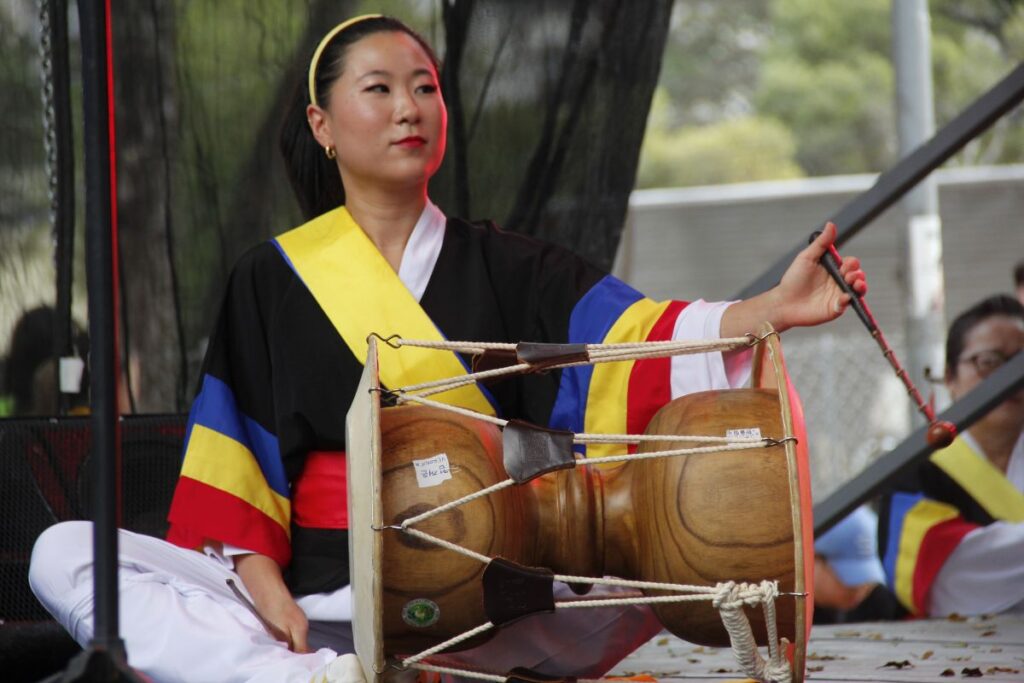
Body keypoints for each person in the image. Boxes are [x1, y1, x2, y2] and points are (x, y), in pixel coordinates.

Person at [28, 15, 867, 683]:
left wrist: (769, 308)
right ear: (322, 124)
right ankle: (307, 678)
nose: (409, 108)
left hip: (483, 600)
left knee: (633, 591)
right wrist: (266, 590)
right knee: (63, 553)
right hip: (318, 599)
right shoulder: (270, 276)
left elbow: (638, 340)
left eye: (425, 88)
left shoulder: (510, 263)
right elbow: (237, 465)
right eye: (381, 88)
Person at [880, 294, 1024, 617]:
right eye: (989, 361)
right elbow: (946, 581)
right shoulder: (916, 473)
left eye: (1020, 363)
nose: (1010, 378)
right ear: (950, 378)